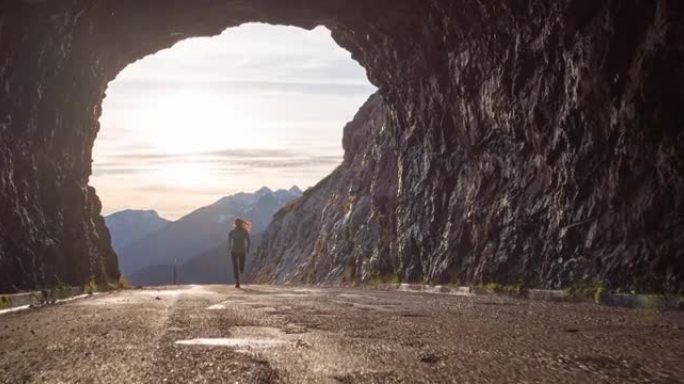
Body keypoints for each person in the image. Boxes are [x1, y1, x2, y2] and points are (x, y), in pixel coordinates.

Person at [228, 218, 251, 288]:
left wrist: (247, 248)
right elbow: (229, 239)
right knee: (235, 267)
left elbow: (248, 240)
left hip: (242, 251)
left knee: (241, 267)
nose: (237, 224)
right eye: (236, 223)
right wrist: (229, 246)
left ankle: (241, 270)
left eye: (238, 223)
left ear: (240, 224)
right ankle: (237, 282)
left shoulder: (244, 231)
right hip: (234, 251)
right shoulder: (232, 232)